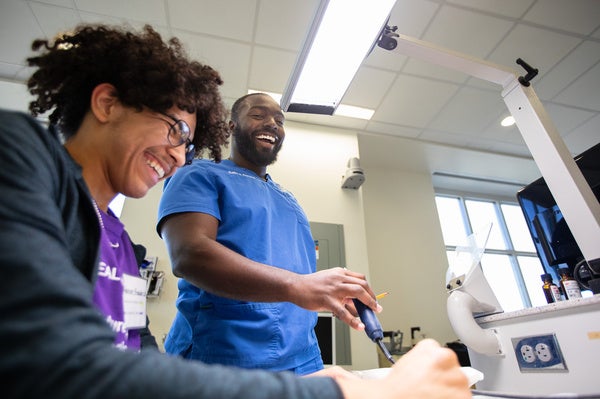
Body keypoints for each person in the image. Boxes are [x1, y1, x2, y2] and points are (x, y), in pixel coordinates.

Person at [0, 23, 471, 399]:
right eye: (174, 132)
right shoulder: (21, 153)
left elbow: (134, 350)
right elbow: (57, 363)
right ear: (106, 103)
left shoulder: (119, 241)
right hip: (226, 360)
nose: (180, 156)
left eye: (187, 142)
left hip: (294, 362)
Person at [157, 92, 379, 374]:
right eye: (258, 115)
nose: (272, 124)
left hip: (303, 357)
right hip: (224, 357)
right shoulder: (199, 174)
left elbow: (296, 274)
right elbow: (190, 254)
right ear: (231, 127)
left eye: (279, 120)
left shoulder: (288, 199)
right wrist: (298, 286)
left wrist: (325, 292)